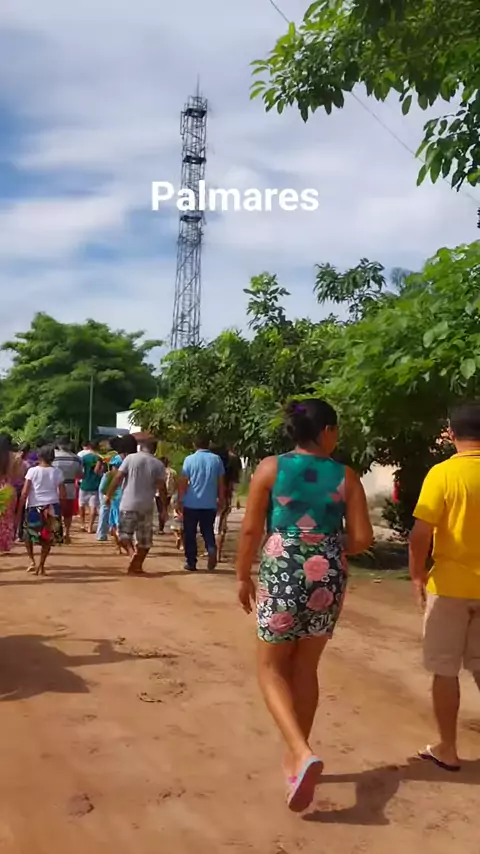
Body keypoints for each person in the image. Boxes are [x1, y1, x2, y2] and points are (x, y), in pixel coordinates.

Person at [235, 399, 372, 812]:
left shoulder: (270, 469)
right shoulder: (346, 476)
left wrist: (242, 575)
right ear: (327, 431)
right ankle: (297, 761)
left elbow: (250, 530)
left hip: (282, 568)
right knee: (306, 667)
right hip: (328, 573)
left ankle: (300, 751)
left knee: (270, 667)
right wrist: (326, 546)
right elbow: (362, 539)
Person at [409, 401, 480, 773]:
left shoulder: (443, 474)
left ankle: (447, 748)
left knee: (445, 670)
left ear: (451, 433)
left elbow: (420, 533)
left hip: (450, 587)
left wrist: (417, 574)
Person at [106, 438, 167, 575]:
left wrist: (108, 495)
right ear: (154, 450)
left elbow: (118, 478)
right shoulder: (158, 464)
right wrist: (163, 508)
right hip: (146, 505)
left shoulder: (130, 458)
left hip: (128, 503)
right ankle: (137, 565)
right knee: (145, 541)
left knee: (123, 535)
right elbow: (162, 488)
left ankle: (131, 553)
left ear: (140, 447)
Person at [178, 435, 226, 572]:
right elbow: (221, 482)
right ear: (208, 444)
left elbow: (183, 482)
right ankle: (211, 549)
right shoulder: (217, 460)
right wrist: (221, 499)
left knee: (190, 533)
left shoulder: (189, 460)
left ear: (194, 444)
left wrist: (180, 499)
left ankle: (191, 562)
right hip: (209, 503)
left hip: (191, 502)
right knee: (207, 530)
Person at [17, 444, 66, 575]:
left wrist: (19, 508)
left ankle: (32, 560)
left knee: (28, 535)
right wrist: (61, 508)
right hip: (52, 506)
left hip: (34, 506)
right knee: (48, 538)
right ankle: (41, 565)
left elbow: (24, 492)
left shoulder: (32, 471)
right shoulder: (57, 472)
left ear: (39, 456)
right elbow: (62, 494)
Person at [212, 445, 242, 562]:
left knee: (212, 526)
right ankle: (217, 554)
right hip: (225, 498)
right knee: (219, 527)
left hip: (210, 498)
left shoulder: (214, 466)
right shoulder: (231, 468)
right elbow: (234, 484)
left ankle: (212, 552)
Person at [53, 437, 83, 544]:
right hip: (70, 488)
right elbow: (79, 475)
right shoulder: (76, 458)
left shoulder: (53, 457)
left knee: (56, 512)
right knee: (68, 513)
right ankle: (67, 533)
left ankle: (56, 534)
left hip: (55, 488)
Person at [0, 434, 21, 554]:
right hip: (8, 488)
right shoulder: (15, 457)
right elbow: (17, 475)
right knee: (7, 519)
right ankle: (3, 543)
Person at [79, 440, 101, 533]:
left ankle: (82, 524)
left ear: (89, 447)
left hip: (85, 483)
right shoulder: (99, 458)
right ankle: (90, 527)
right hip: (95, 484)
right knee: (93, 506)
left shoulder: (84, 458)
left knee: (81, 504)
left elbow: (80, 470)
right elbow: (97, 471)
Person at [157, 456, 178, 533]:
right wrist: (174, 490)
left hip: (158, 493)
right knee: (165, 508)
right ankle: (162, 526)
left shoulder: (158, 471)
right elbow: (176, 482)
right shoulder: (173, 472)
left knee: (160, 510)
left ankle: (161, 528)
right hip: (169, 494)